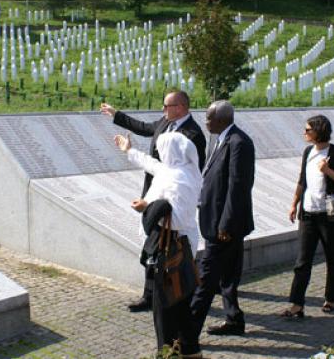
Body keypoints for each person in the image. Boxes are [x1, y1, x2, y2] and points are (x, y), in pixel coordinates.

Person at [101, 90, 206, 312]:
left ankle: (174, 297)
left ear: (180, 107)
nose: (162, 110)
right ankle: (151, 296)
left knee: (172, 259)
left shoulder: (193, 136)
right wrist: (118, 120)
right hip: (156, 199)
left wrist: (151, 206)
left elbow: (185, 187)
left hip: (173, 212)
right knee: (152, 251)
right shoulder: (166, 129)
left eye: (166, 106)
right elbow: (149, 146)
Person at [113, 131, 202, 358]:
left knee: (164, 309)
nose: (160, 154)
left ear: (170, 152)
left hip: (170, 248)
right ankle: (191, 350)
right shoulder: (185, 170)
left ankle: (166, 353)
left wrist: (147, 208)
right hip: (182, 246)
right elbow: (152, 164)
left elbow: (177, 218)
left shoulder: (178, 180)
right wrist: (129, 151)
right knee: (181, 302)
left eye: (163, 149)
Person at [190, 100, 254, 337]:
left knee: (205, 281)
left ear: (221, 119)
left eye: (208, 118)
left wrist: (225, 224)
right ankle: (234, 320)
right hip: (216, 221)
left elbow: (238, 187)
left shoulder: (239, 143)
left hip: (224, 225)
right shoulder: (219, 140)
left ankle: (187, 336)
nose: (205, 122)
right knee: (228, 276)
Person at [281, 115, 334, 319]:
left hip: (329, 216)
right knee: (302, 260)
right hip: (308, 213)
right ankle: (297, 303)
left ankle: (331, 298)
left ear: (319, 131)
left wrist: (327, 170)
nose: (304, 133)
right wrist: (293, 204)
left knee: (332, 257)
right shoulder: (308, 152)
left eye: (308, 130)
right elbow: (302, 180)